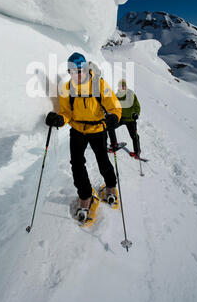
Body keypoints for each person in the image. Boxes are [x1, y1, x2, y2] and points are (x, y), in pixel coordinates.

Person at [45, 52, 122, 222]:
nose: (76, 75)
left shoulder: (100, 85)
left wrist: (114, 117)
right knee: (77, 164)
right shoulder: (66, 88)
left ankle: (110, 186)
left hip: (97, 129)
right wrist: (59, 120)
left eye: (79, 71)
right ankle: (85, 195)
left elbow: (115, 106)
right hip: (78, 130)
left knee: (103, 160)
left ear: (86, 69)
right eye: (72, 71)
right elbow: (66, 112)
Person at [108, 79, 141, 158]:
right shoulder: (117, 96)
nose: (122, 88)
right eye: (120, 86)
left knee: (134, 136)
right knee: (110, 127)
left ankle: (137, 152)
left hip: (130, 119)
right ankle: (114, 144)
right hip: (121, 118)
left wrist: (136, 114)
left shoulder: (131, 94)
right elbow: (113, 106)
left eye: (123, 86)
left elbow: (137, 106)